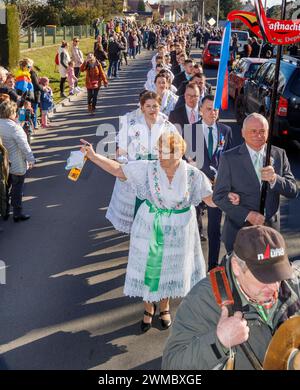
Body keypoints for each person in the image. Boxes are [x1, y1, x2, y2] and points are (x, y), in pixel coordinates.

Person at [82, 131, 215, 332]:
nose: (160, 155)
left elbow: (210, 199)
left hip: (179, 233)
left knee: (169, 268)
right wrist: (93, 156)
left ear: (178, 153)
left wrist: (231, 195)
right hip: (150, 227)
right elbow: (119, 169)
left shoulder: (193, 174)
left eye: (165, 152)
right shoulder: (148, 168)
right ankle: (147, 308)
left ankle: (164, 306)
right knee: (148, 268)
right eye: (158, 150)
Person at [162, 225, 300, 370]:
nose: (274, 287)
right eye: (264, 278)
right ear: (236, 267)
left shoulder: (291, 283)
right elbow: (171, 365)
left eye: (278, 275)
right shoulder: (202, 300)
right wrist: (219, 343)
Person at [213, 113, 297, 253]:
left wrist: (274, 179)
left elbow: (293, 190)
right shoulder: (229, 158)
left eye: (262, 131)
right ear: (243, 133)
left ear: (268, 132)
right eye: (253, 131)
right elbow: (218, 197)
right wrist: (248, 215)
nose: (258, 135)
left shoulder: (279, 154)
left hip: (270, 232)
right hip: (239, 231)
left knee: (269, 273)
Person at [106, 92, 176, 234]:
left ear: (159, 107)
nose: (152, 109)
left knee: (159, 212)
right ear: (142, 108)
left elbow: (176, 149)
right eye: (148, 106)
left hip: (159, 173)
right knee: (140, 210)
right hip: (138, 173)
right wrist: (123, 163)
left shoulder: (167, 125)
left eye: (155, 106)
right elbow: (122, 151)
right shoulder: (132, 124)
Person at [190, 95, 233, 270]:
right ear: (200, 110)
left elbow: (231, 159)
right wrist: (202, 176)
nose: (212, 112)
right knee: (192, 226)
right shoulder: (189, 130)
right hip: (196, 186)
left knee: (214, 229)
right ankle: (192, 265)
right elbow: (188, 159)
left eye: (215, 109)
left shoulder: (226, 130)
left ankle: (212, 266)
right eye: (208, 109)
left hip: (217, 188)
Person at [0, 100, 35, 222]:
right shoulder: (15, 128)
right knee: (17, 189)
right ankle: (17, 213)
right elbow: (24, 146)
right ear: (12, 112)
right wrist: (31, 159)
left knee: (4, 188)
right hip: (16, 163)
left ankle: (4, 211)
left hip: (2, 163)